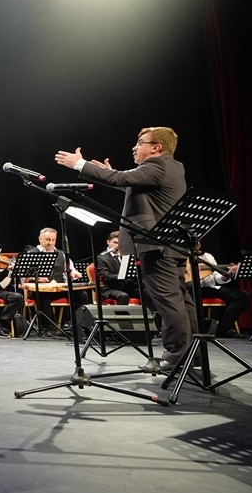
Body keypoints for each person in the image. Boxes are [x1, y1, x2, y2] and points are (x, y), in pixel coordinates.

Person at [55, 126, 190, 371]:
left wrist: (80, 164)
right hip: (171, 246)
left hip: (155, 246)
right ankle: (193, 356)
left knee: (169, 304)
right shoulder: (173, 166)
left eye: (140, 142)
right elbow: (128, 182)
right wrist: (108, 173)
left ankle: (177, 356)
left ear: (156, 148)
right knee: (182, 302)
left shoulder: (156, 165)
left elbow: (123, 178)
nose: (134, 147)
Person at [95, 231, 133, 304]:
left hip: (125, 287)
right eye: (115, 242)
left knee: (146, 292)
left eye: (120, 243)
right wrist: (122, 276)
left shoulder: (125, 255)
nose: (118, 245)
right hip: (109, 288)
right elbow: (105, 276)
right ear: (108, 242)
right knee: (123, 296)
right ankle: (121, 315)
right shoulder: (101, 258)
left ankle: (152, 314)